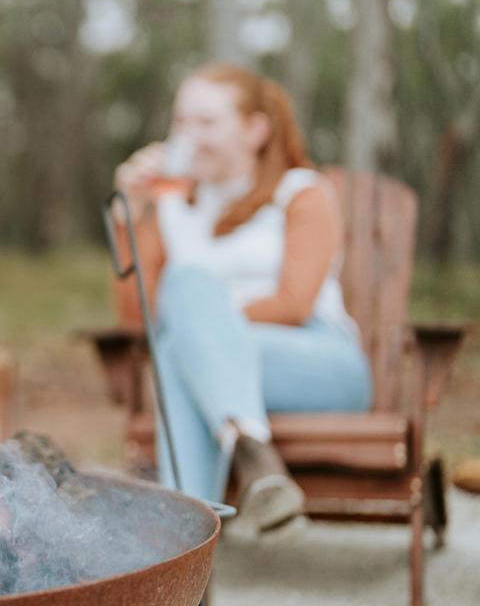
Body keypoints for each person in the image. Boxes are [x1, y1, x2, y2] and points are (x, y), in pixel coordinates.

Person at [111, 63, 372, 533]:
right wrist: (128, 213)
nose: (190, 136)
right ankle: (254, 455)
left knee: (183, 322)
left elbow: (294, 304)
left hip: (319, 363)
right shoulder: (172, 207)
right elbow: (138, 318)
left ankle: (184, 561)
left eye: (207, 122)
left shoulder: (302, 193)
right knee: (178, 330)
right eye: (181, 122)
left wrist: (203, 323)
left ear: (255, 130)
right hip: (210, 369)